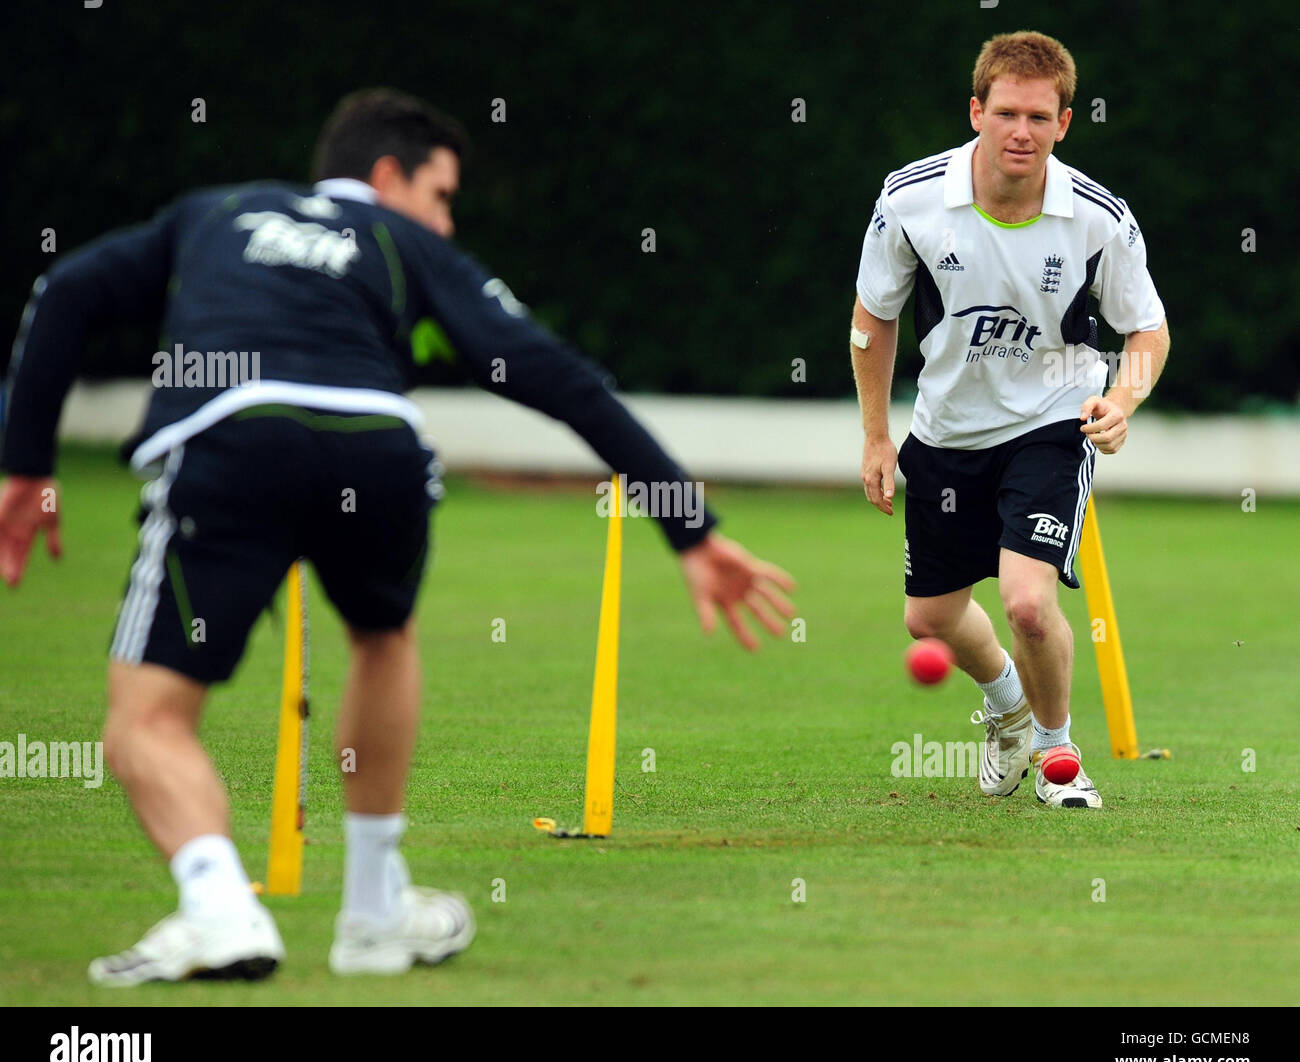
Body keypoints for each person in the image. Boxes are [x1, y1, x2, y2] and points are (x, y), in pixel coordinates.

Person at [0, 88, 796, 985]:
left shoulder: (215, 212)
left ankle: (220, 906)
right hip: (376, 451)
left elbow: (61, 291)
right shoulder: (404, 244)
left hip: (233, 442)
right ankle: (375, 910)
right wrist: (688, 526)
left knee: (146, 718)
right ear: (387, 177)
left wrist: (26, 466)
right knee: (383, 637)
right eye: (442, 196)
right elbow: (555, 374)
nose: (447, 223)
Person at [851, 31, 1169, 808]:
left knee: (1027, 602)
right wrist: (876, 435)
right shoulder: (911, 199)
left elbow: (1148, 331)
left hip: (1053, 420)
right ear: (976, 112)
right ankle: (1008, 711)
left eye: (1038, 115)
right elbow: (872, 318)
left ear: (1065, 122)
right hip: (948, 429)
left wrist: (1118, 403)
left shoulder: (1098, 217)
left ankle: (1060, 759)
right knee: (929, 617)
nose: (1020, 131)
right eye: (1004, 113)